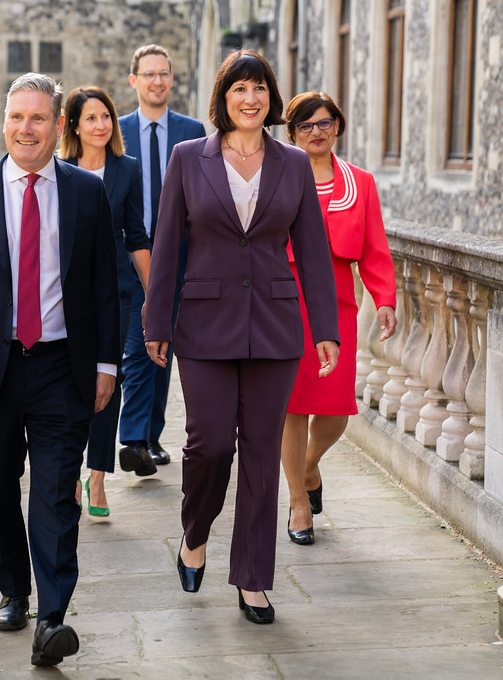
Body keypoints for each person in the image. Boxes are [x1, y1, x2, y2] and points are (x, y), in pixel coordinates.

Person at [143, 50, 340, 624]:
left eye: (259, 88)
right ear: (222, 98)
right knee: (208, 446)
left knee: (260, 452)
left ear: (269, 98)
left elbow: (312, 251)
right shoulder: (187, 158)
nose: (249, 98)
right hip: (203, 327)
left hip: (276, 329)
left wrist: (324, 328)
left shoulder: (294, 164)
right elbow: (167, 246)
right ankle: (195, 532)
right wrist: (157, 321)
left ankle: (253, 577)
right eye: (238, 89)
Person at [0, 73, 120, 667]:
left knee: (56, 493)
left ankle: (55, 615)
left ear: (57, 125)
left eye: (38, 118)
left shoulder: (87, 194)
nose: (25, 129)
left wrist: (106, 364)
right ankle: (14, 588)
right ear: (4, 119)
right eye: (16, 117)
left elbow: (104, 287)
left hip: (63, 366)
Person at [280, 92, 397, 545]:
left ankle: (309, 467)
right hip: (284, 303)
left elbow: (374, 248)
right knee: (291, 407)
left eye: (324, 123)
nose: (316, 132)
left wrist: (384, 298)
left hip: (337, 307)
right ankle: (296, 502)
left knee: (334, 410)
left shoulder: (361, 182)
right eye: (306, 126)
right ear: (292, 133)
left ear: (338, 127)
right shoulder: (277, 179)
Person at [58, 85, 149, 517]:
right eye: (90, 117)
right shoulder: (57, 169)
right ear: (74, 124)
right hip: (67, 292)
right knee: (72, 378)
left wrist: (154, 296)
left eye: (106, 117)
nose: (100, 125)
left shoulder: (127, 169)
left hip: (118, 290)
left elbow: (137, 235)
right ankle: (71, 468)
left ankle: (97, 478)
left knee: (108, 377)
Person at [117, 44, 206, 475]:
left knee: (162, 345)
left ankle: (148, 436)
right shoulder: (115, 131)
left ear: (172, 79)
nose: (157, 81)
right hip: (128, 253)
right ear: (133, 80)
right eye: (148, 74)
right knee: (140, 344)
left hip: (180, 254)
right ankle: (135, 436)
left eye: (164, 74)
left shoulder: (193, 131)